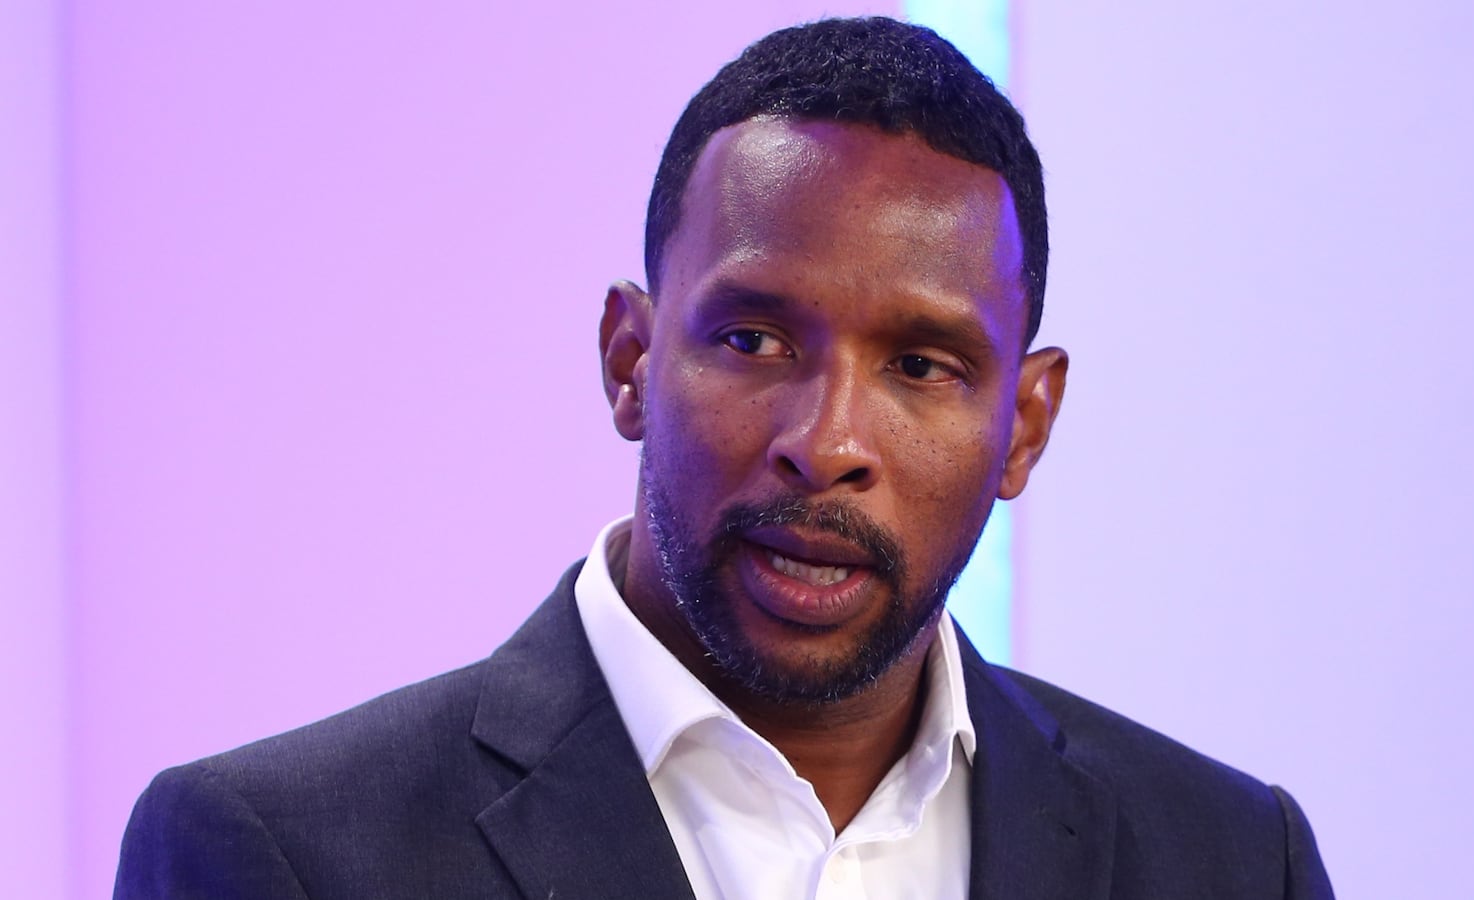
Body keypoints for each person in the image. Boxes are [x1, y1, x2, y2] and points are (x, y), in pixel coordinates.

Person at [115, 16, 1334, 899]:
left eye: (921, 366)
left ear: (1024, 425)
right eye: (753, 338)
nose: (827, 443)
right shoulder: (278, 854)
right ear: (630, 360)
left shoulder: (1227, 862)